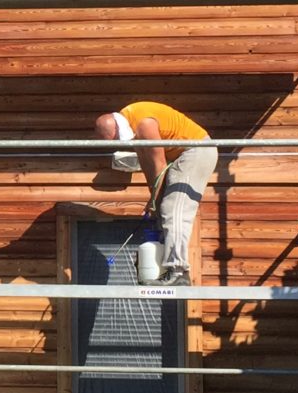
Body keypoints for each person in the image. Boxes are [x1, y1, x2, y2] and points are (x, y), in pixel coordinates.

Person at [93, 102, 217, 288]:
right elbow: (147, 165)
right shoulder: (132, 123)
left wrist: (156, 200)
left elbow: (158, 165)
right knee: (162, 208)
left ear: (119, 126)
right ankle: (166, 267)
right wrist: (153, 199)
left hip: (196, 150)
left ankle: (178, 270)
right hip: (180, 155)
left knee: (173, 209)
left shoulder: (144, 124)